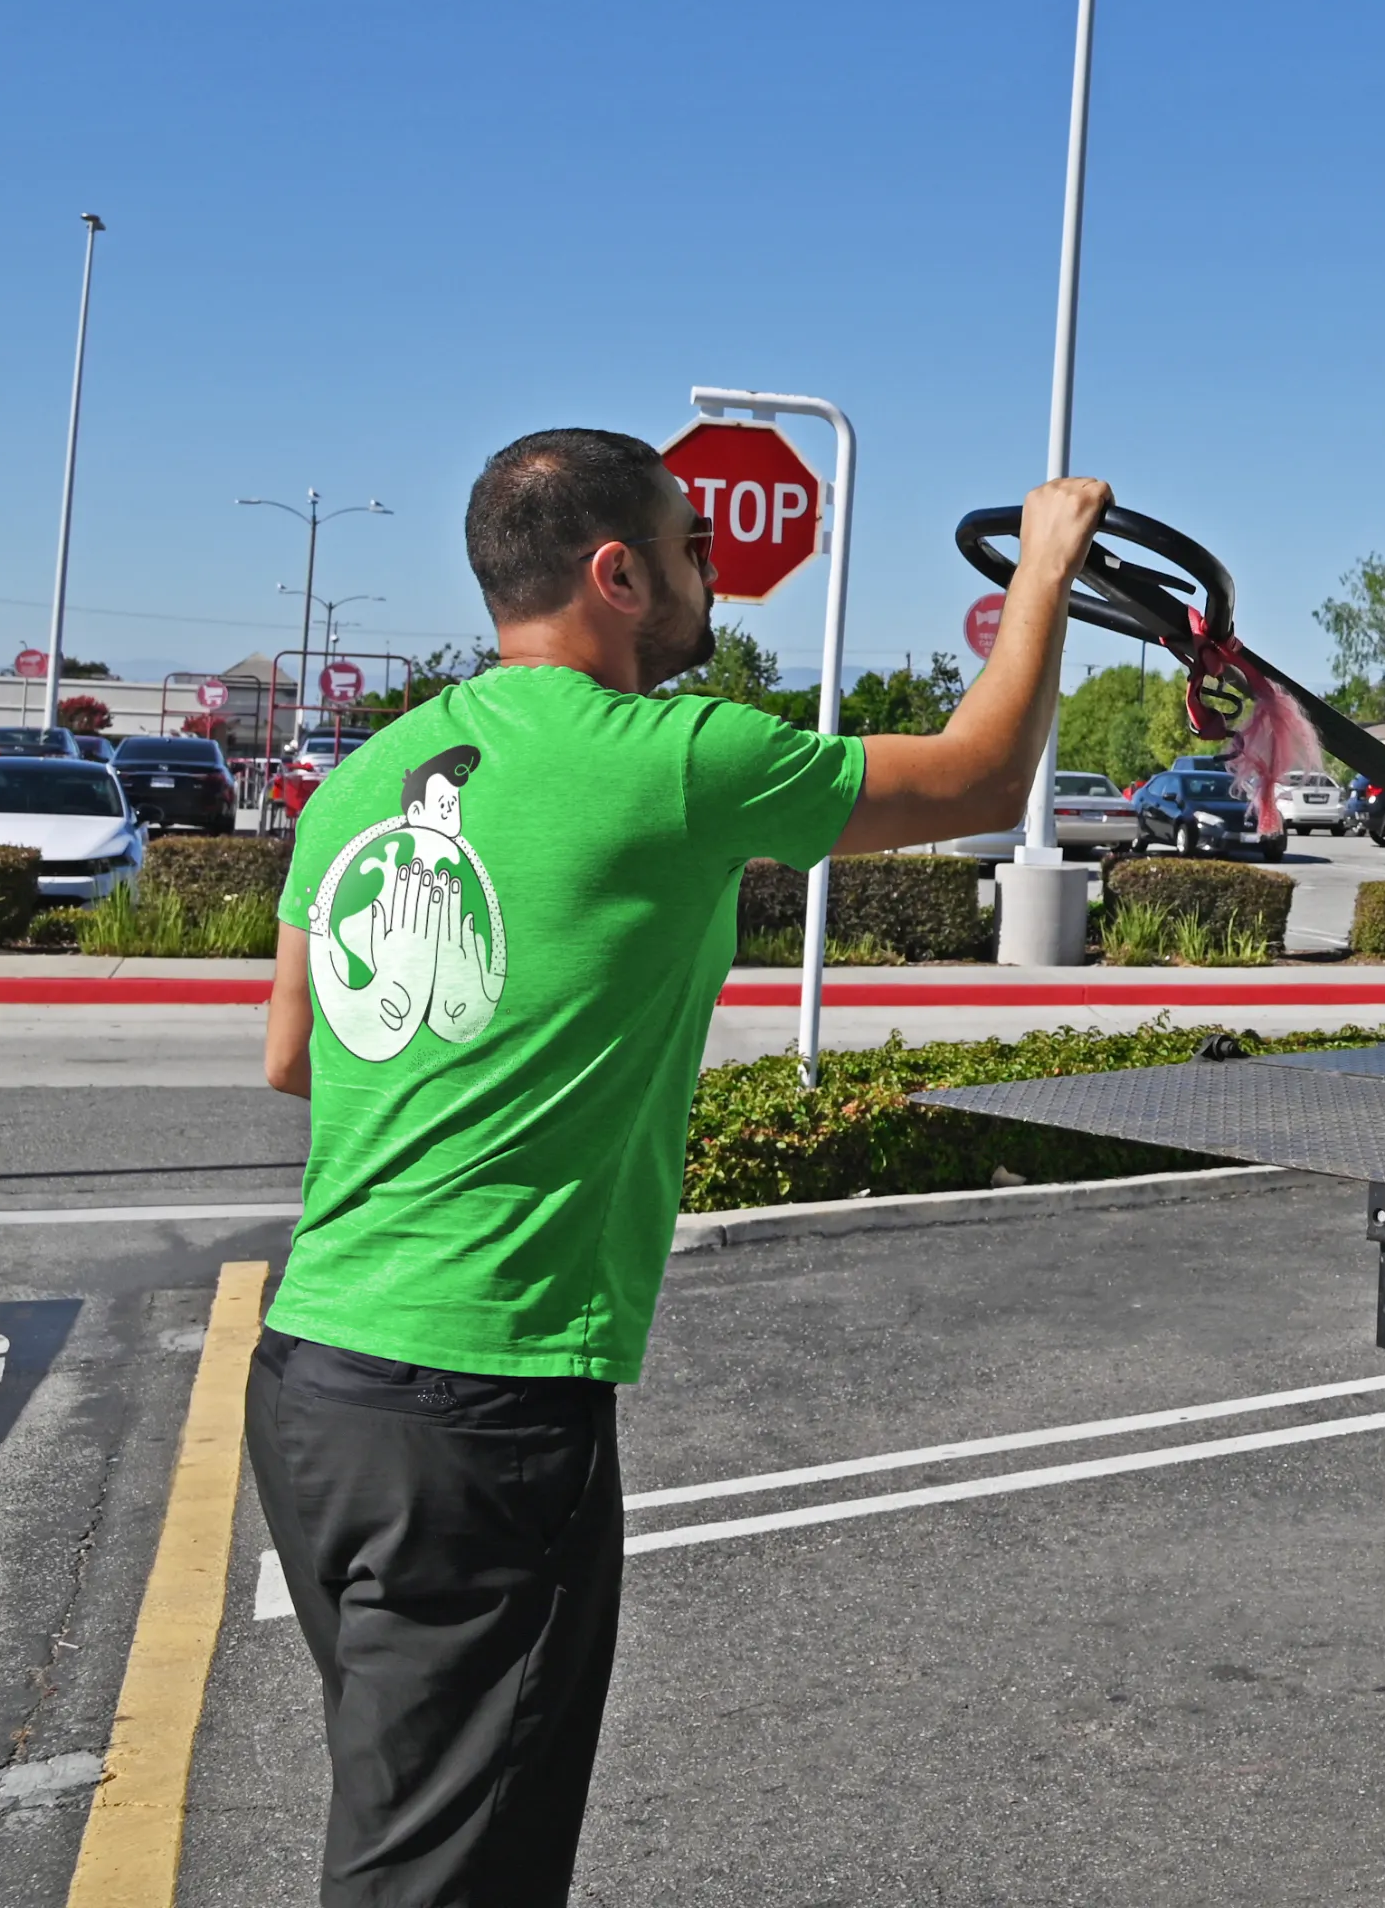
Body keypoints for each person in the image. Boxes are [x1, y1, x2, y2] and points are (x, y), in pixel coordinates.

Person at [250, 427, 1110, 1906]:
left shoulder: (359, 780)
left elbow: (292, 1055)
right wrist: (1042, 568)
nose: (716, 576)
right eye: (694, 549)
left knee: (419, 1823)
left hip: (314, 1383)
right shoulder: (677, 759)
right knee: (442, 1877)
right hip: (483, 1406)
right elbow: (976, 777)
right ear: (618, 573)